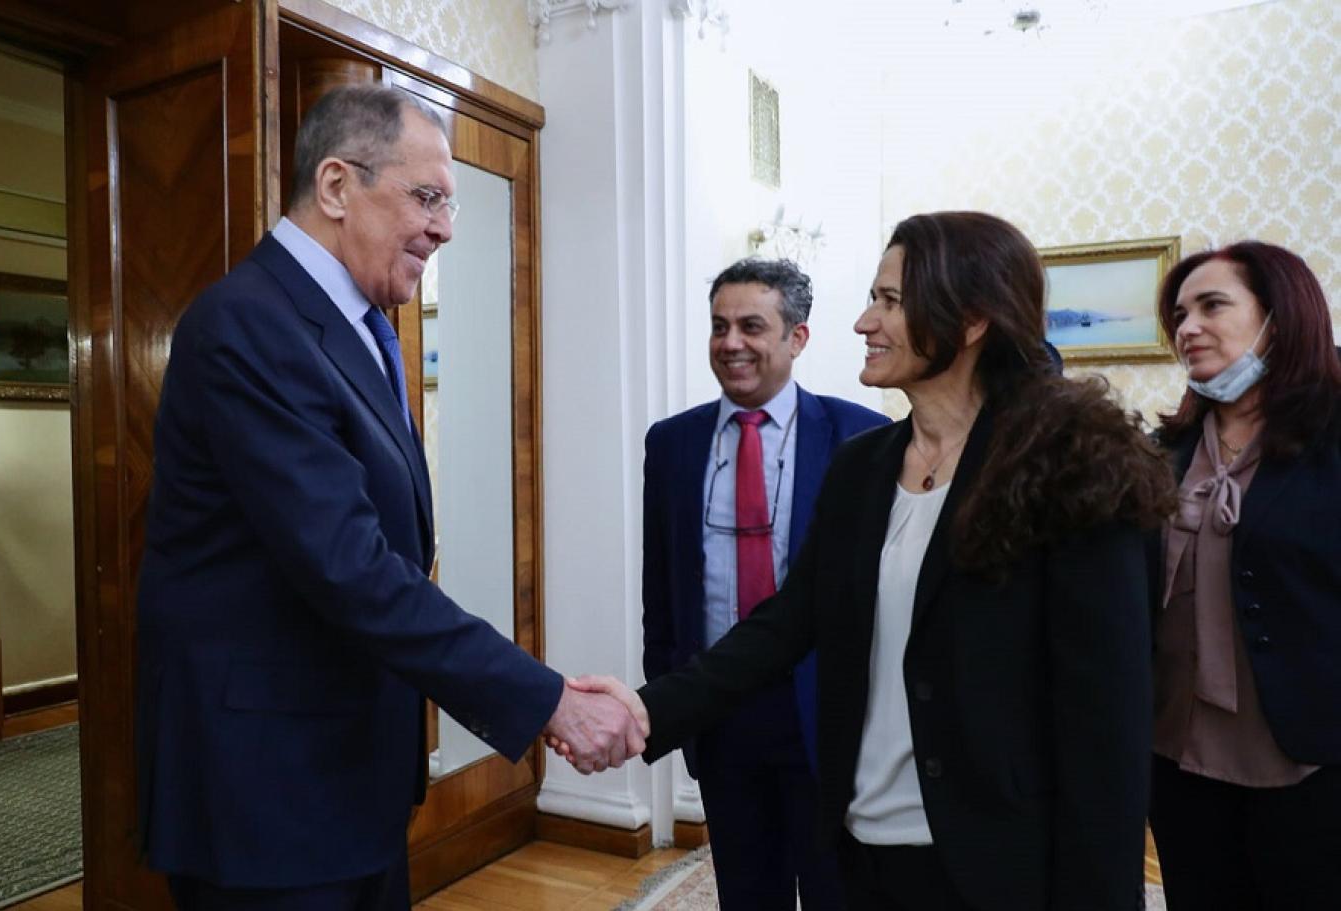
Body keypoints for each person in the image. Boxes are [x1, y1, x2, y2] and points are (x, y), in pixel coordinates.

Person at [567, 211, 1176, 910]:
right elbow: (786, 623)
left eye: (889, 301)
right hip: (861, 845)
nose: (864, 322)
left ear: (970, 321)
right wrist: (648, 709)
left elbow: (1106, 727)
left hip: (993, 860)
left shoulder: (1071, 471)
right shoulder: (864, 466)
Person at [135, 84, 644, 911]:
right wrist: (546, 700)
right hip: (267, 795)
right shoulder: (249, 324)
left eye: (449, 204)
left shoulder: (357, 324)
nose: (445, 227)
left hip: (347, 779)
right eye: (427, 196)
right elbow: (351, 567)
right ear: (337, 186)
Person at [642, 258, 888, 910]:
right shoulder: (671, 444)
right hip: (721, 716)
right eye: (719, 326)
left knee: (840, 893)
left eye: (751, 326)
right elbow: (661, 592)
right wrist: (672, 698)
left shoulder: (863, 439)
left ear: (796, 337)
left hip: (826, 715)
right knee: (748, 895)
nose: (731, 343)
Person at [1147, 241, 1341, 910]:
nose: (1188, 328)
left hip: (1309, 757)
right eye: (1179, 315)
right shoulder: (1164, 451)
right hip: (1176, 755)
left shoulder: (1332, 440)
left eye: (1212, 306)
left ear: (1279, 319)